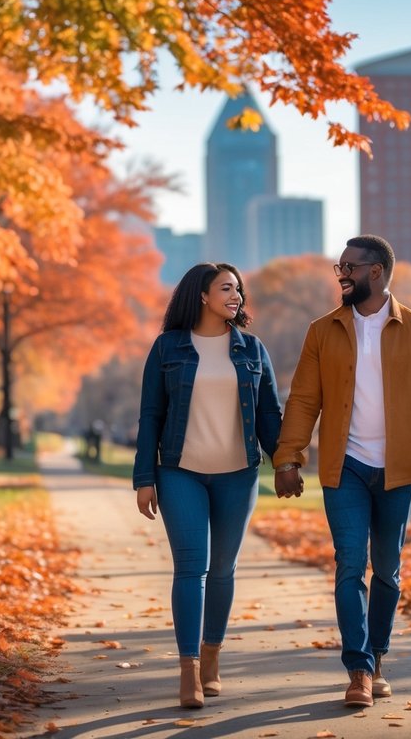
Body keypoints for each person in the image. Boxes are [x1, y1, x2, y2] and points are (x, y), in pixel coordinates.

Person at [273, 235, 411, 708]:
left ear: (375, 272)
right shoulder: (323, 330)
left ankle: (377, 658)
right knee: (350, 564)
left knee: (389, 572)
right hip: (345, 466)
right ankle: (358, 670)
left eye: (348, 268)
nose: (341, 275)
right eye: (340, 267)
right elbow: (304, 399)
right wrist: (288, 457)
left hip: (398, 471)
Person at [133, 262, 282, 709]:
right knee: (190, 568)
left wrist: (288, 460)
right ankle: (189, 670)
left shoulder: (252, 350)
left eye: (238, 289)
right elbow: (150, 416)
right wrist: (144, 478)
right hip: (181, 472)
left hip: (239, 473)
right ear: (202, 295)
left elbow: (271, 416)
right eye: (226, 288)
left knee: (222, 570)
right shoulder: (167, 348)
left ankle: (213, 655)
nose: (236, 296)